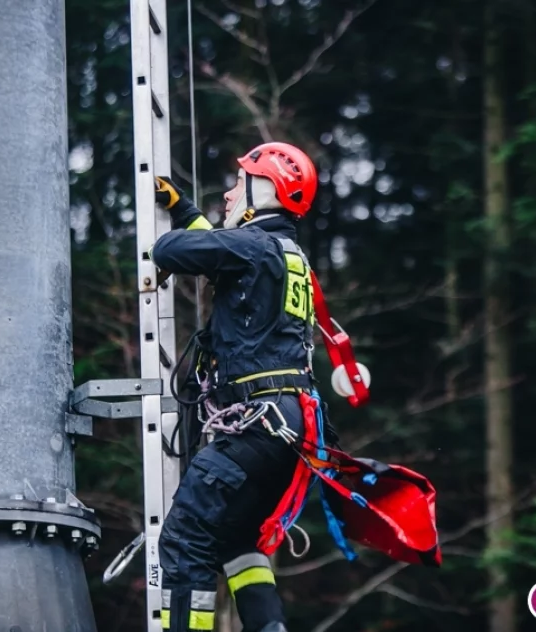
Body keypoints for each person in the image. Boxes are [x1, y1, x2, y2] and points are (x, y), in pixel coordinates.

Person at [147, 141, 320, 632]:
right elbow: (217, 249)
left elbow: (171, 250)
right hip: (286, 429)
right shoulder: (283, 254)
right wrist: (184, 210)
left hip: (255, 425)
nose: (228, 194)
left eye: (237, 185)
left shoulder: (253, 246)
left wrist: (174, 232)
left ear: (262, 194)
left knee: (183, 539)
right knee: (237, 541)